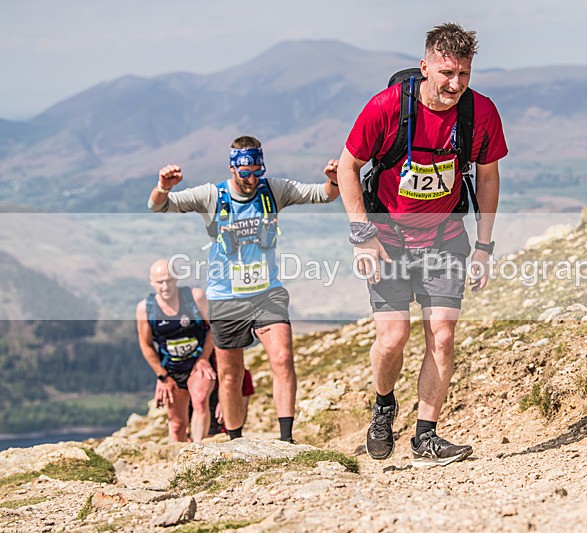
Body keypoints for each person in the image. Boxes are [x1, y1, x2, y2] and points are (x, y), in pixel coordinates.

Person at [337, 23, 508, 466]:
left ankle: (426, 437)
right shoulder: (387, 107)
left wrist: (484, 247)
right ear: (425, 67)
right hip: (387, 241)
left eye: (464, 75)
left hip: (446, 238)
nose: (455, 84)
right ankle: (383, 405)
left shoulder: (480, 114)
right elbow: (348, 168)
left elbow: (487, 177)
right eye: (447, 73)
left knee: (443, 338)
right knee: (393, 338)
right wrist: (362, 236)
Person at [149, 136, 339, 442]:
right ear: (232, 168)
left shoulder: (273, 190)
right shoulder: (212, 195)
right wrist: (163, 186)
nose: (252, 179)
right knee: (230, 375)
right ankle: (235, 440)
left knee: (282, 358)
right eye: (245, 172)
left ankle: (286, 438)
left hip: (267, 293)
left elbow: (323, 195)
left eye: (257, 172)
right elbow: (159, 206)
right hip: (226, 298)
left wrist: (333, 181)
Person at [136, 259, 216, 443]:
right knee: (177, 424)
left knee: (200, 400)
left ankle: (197, 453)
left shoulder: (195, 297)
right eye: (160, 282)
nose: (165, 286)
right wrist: (162, 376)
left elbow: (214, 328)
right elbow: (146, 345)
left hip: (198, 364)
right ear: (151, 282)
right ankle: (176, 465)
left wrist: (204, 358)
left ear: (176, 278)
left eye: (169, 280)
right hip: (171, 370)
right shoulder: (145, 308)